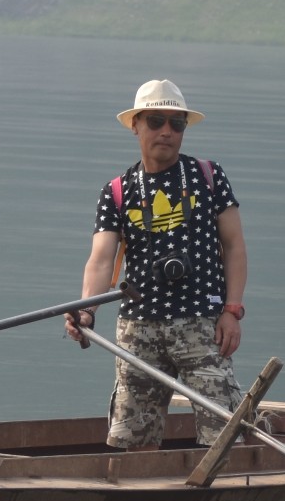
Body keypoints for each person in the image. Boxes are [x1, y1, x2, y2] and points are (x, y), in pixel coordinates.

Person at [63, 79, 248, 450]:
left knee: (223, 436)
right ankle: (133, 497)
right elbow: (101, 260)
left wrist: (232, 310)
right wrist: (86, 311)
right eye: (156, 121)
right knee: (130, 441)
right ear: (136, 125)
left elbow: (234, 247)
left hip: (202, 325)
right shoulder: (117, 190)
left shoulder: (209, 177)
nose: (166, 131)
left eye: (176, 124)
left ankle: (224, 495)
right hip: (138, 330)